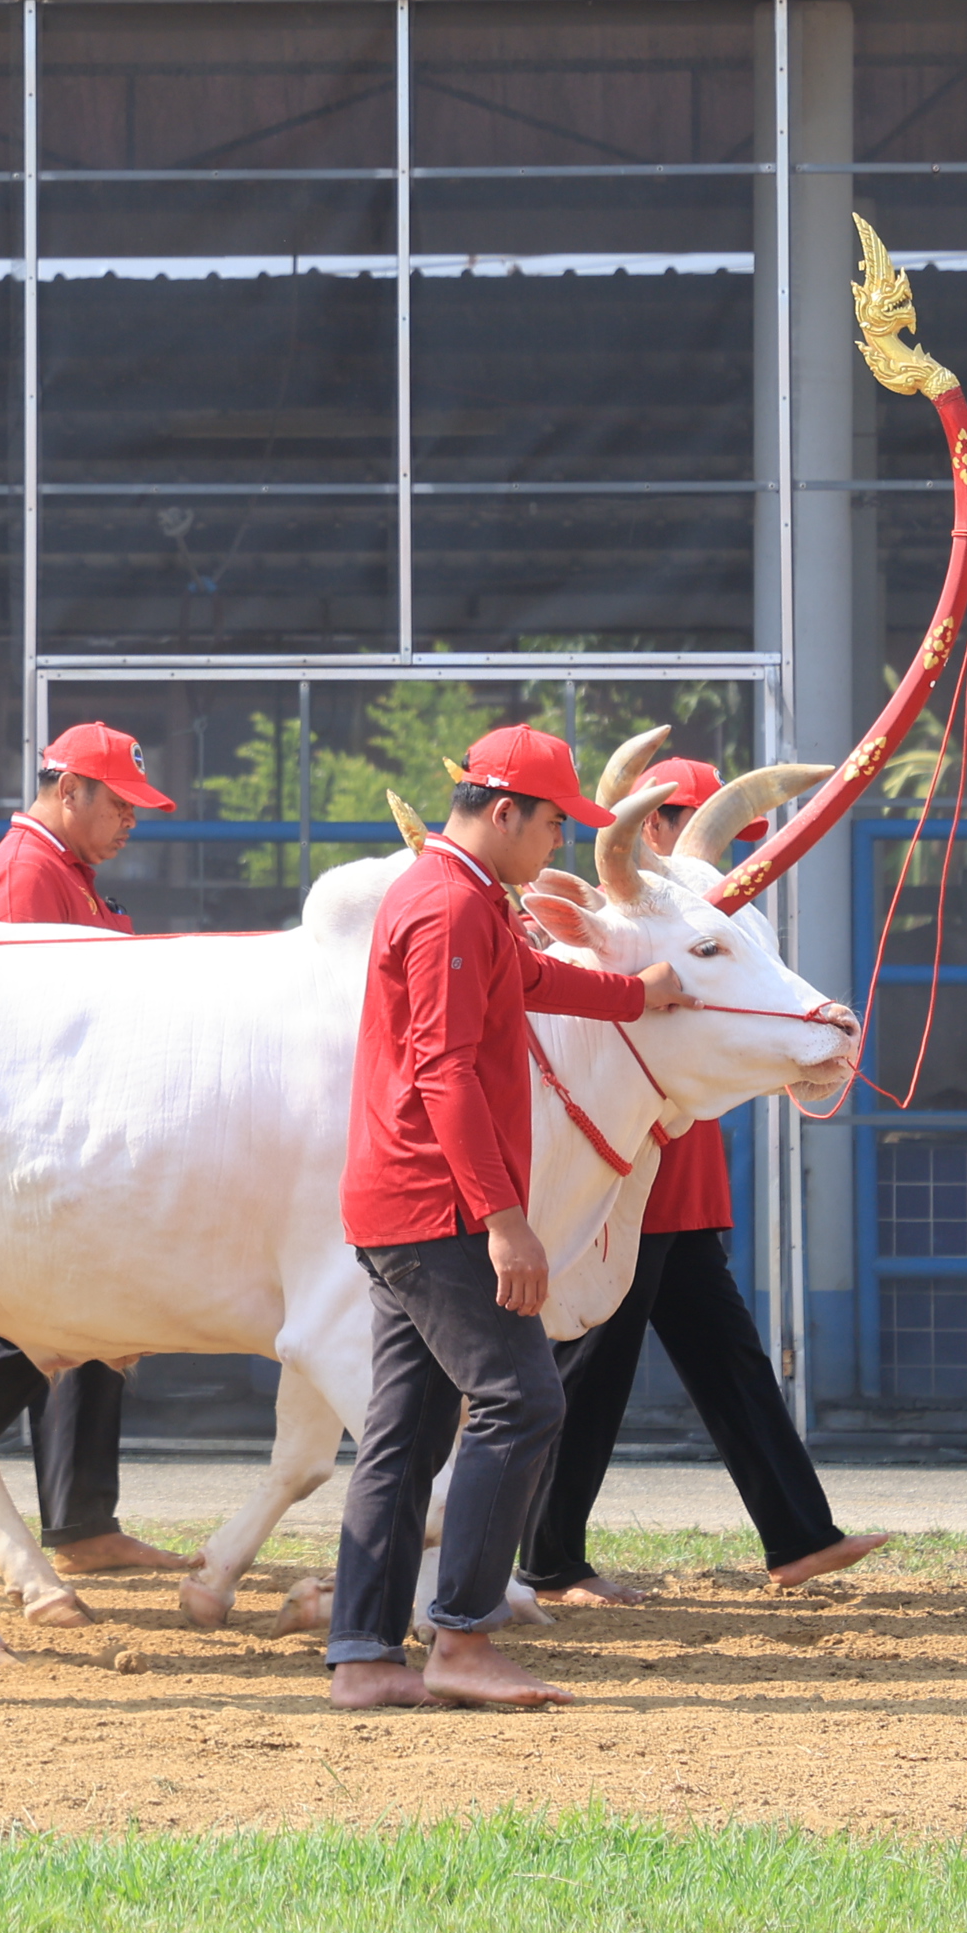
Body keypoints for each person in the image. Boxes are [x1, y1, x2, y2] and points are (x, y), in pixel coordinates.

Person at [324, 726, 688, 1712]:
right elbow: (443, 1070)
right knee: (522, 1401)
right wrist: (504, 1219)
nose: (557, 848)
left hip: (401, 1200)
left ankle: (363, 1652)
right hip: (437, 1205)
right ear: (503, 812)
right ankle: (463, 1639)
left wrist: (634, 994)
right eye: (553, 827)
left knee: (405, 1433)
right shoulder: (449, 906)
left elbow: (527, 984)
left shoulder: (463, 898)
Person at [522, 757, 887, 1604]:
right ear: (652, 827)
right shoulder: (631, 921)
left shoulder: (724, 915)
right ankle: (547, 1560)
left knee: (727, 1356)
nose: (737, 854)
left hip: (683, 1169)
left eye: (748, 839)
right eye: (683, 818)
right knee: (593, 1365)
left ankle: (798, 1534)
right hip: (621, 1172)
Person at [0, 723, 189, 1579]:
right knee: (44, 1326)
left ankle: (81, 1520)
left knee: (97, 1320)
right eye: (120, 802)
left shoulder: (62, 874)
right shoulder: (29, 877)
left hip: (74, 1135)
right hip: (40, 1144)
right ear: (70, 793)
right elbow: (25, 1039)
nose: (132, 820)